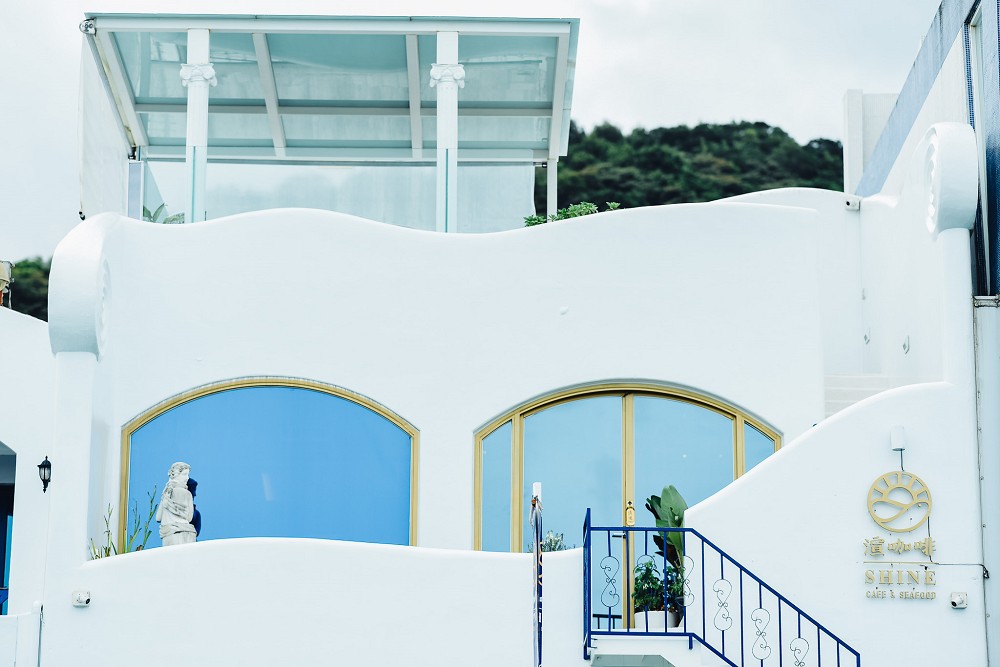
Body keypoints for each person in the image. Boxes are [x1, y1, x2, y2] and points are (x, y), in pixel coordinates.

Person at [156, 462, 196, 546]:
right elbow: (189, 518)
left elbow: (158, 517)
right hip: (185, 533)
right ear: (176, 475)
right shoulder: (187, 494)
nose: (187, 478)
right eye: (185, 474)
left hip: (167, 532)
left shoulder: (165, 494)